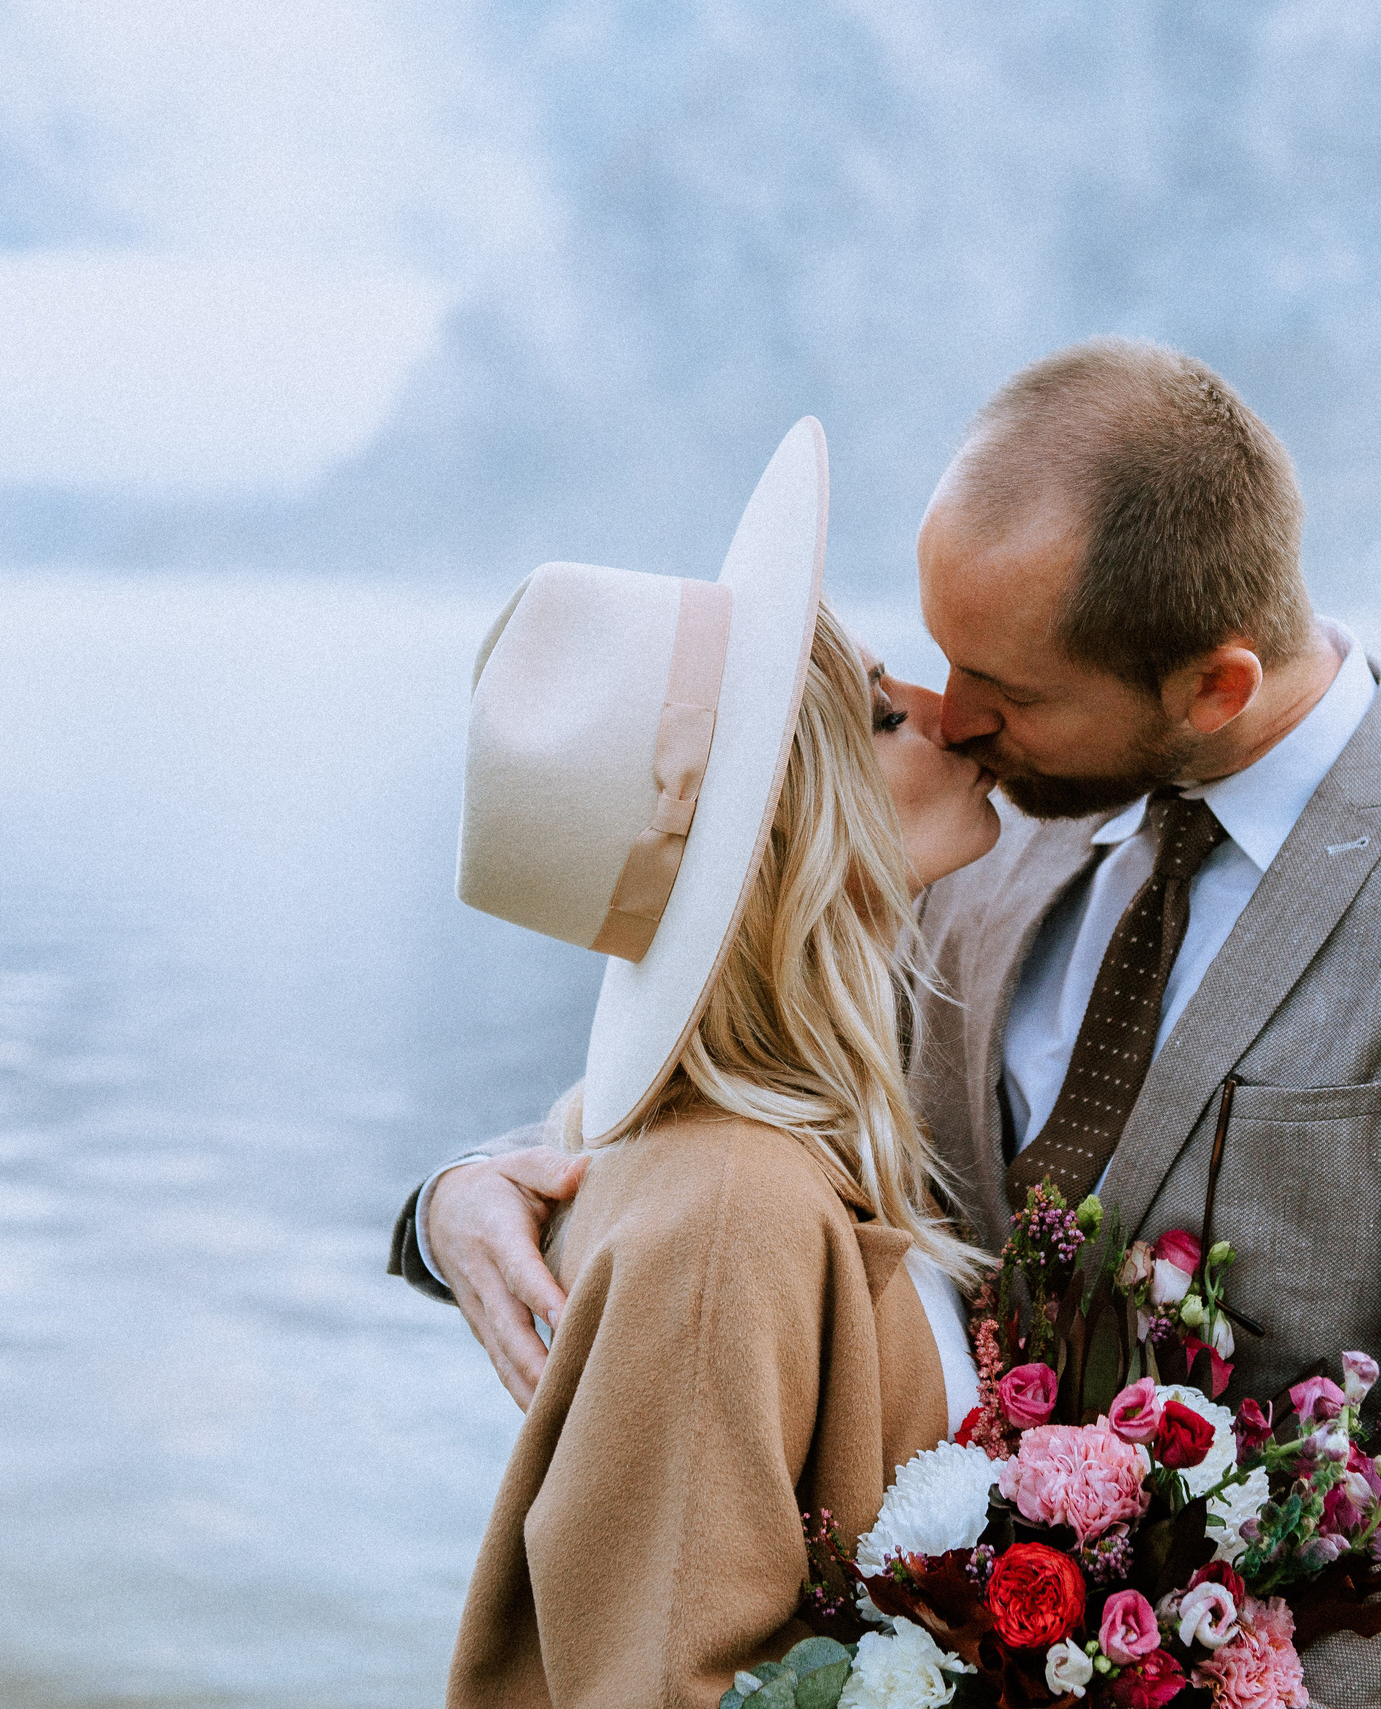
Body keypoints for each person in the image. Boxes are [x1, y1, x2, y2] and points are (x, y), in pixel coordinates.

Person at [401, 345, 1381, 1709]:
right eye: (939, 665)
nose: (955, 719)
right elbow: (740, 1070)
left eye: (1004, 688)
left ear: (1214, 688)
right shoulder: (977, 842)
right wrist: (464, 1198)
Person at [432, 419, 1002, 1706]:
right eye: (875, 709)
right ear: (799, 823)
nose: (941, 708)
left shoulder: (694, 1140)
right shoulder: (736, 1209)